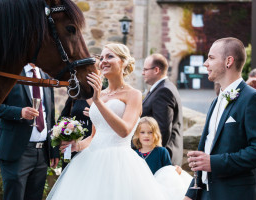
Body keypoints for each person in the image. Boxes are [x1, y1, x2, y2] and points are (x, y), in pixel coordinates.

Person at [47, 43, 189, 200]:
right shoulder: (100, 94)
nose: (103, 61)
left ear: (123, 62)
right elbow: (94, 136)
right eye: (101, 58)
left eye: (110, 56)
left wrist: (98, 102)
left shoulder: (133, 94)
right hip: (89, 161)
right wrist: (77, 145)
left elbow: (125, 131)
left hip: (119, 163)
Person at [184, 37, 256, 200]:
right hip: (206, 194)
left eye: (211, 58)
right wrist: (191, 193)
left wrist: (214, 163)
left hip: (235, 194)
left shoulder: (253, 99)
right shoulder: (215, 101)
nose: (205, 63)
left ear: (229, 61)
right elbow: (206, 150)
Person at [0, 63, 60, 200]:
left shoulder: (46, 76)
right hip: (16, 151)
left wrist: (53, 149)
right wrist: (19, 112)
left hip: (42, 154)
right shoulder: (11, 71)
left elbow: (50, 116)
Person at [142, 53, 183, 166]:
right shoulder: (163, 87)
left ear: (156, 70)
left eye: (145, 69)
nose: (142, 73)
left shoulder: (163, 91)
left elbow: (162, 129)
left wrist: (149, 155)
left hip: (160, 159)